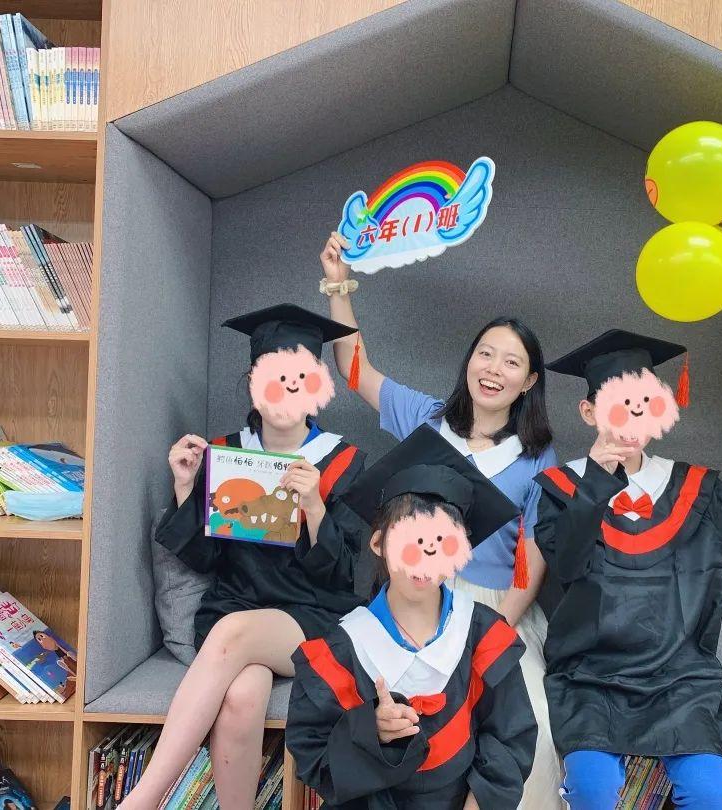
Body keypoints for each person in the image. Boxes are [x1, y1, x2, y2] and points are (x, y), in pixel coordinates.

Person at [318, 231, 563, 807]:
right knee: (391, 719)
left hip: (495, 607)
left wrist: (490, 630)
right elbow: (355, 369)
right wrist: (338, 285)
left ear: (529, 381)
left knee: (529, 729)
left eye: (512, 362)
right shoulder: (426, 419)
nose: (494, 369)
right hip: (413, 598)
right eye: (485, 354)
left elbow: (534, 558)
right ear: (469, 360)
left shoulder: (537, 458)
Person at [122, 304, 368, 810]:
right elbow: (205, 560)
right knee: (242, 694)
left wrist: (315, 505)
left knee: (233, 634)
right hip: (235, 603)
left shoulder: (344, 460)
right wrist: (187, 487)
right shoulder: (225, 453)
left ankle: (142, 800)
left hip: (311, 612)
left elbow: (345, 574)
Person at [533, 330, 722, 810]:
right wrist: (595, 483)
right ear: (589, 412)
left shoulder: (694, 487)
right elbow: (567, 563)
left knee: (710, 794)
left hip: (678, 676)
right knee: (590, 788)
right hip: (592, 676)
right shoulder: (560, 488)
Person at [287, 424, 537, 809]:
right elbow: (314, 757)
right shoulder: (342, 648)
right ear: (378, 543)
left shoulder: (482, 634)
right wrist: (371, 731)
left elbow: (509, 738)